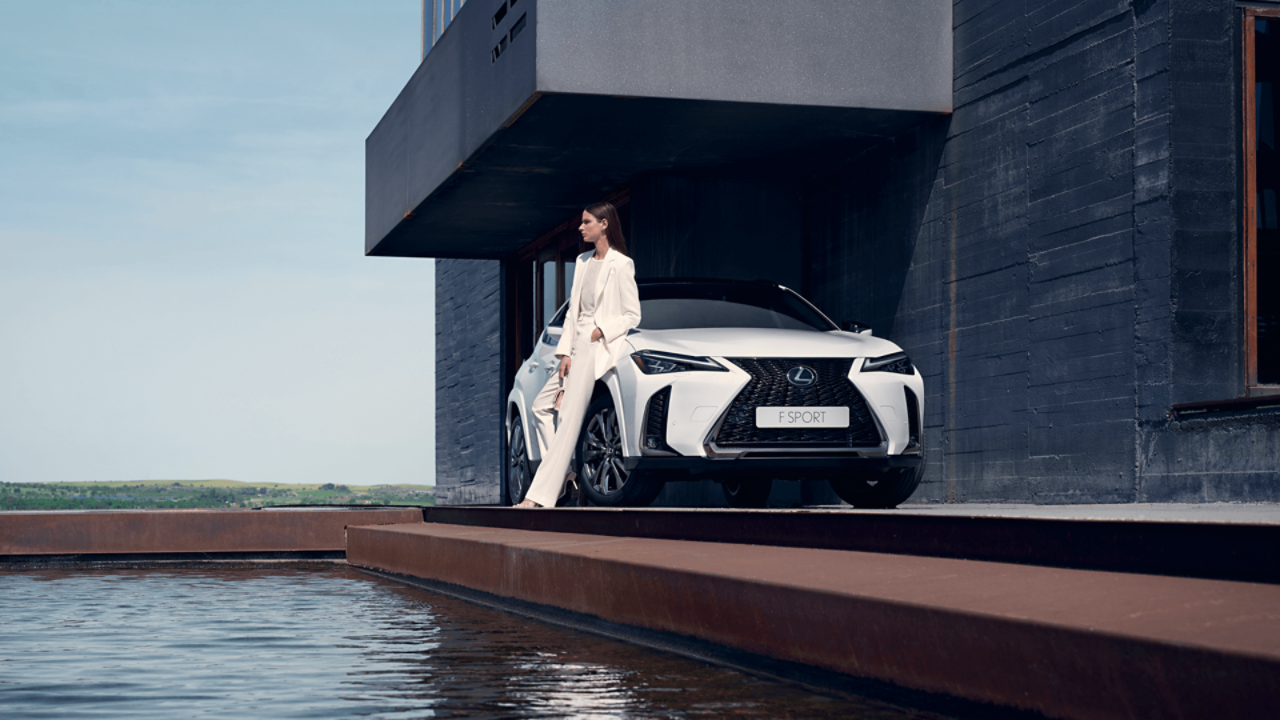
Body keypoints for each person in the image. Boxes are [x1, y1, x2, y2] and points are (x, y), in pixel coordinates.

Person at [516, 202, 641, 508]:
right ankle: (563, 476)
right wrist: (565, 353)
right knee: (540, 408)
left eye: (587, 222)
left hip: (596, 346)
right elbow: (573, 312)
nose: (580, 228)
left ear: (604, 224)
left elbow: (632, 315)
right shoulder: (583, 261)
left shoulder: (622, 264)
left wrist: (602, 330)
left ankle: (538, 496)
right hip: (575, 347)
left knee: (569, 421)